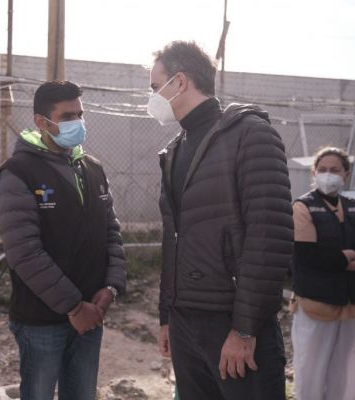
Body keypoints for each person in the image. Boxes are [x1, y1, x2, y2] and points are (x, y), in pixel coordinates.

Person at [148, 41, 293, 399]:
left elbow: (268, 238)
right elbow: (174, 240)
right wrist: (167, 316)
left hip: (232, 325)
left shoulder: (250, 135)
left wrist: (244, 329)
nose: (151, 97)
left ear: (180, 82)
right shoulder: (174, 150)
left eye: (155, 87)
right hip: (185, 324)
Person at [0, 80, 126, 400]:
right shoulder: (18, 172)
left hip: (92, 314)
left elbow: (111, 231)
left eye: (80, 115)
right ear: (41, 122)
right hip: (41, 321)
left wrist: (111, 287)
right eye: (67, 117)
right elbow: (24, 252)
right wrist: (73, 307)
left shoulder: (92, 168)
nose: (77, 123)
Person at [290, 146, 355, 400]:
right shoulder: (303, 207)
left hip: (349, 307)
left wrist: (338, 259)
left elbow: (322, 255)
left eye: (335, 170)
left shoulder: (351, 207)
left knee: (345, 376)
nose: (329, 175)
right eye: (323, 169)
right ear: (314, 173)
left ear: (346, 174)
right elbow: (306, 255)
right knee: (311, 374)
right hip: (315, 305)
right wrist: (343, 258)